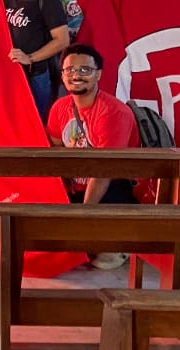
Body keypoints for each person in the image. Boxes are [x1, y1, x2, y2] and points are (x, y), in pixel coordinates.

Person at [46, 44, 139, 269]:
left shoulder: (113, 112)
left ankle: (116, 242)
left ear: (98, 74)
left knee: (97, 257)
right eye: (70, 70)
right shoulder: (59, 108)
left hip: (112, 186)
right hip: (76, 186)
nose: (76, 75)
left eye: (85, 70)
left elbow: (104, 172)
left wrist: (81, 218)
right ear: (62, 75)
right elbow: (55, 150)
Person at [2, 0, 70, 120]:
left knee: (36, 125)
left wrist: (30, 58)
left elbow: (62, 40)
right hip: (6, 74)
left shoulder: (47, 0)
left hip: (36, 75)